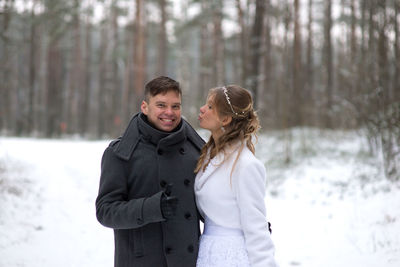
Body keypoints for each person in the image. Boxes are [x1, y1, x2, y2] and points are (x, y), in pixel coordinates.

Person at [95, 76, 205, 267]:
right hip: (141, 260)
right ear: (145, 107)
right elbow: (105, 211)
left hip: (188, 261)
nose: (169, 112)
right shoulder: (120, 153)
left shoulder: (196, 150)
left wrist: (246, 224)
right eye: (161, 105)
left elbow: (211, 202)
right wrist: (151, 208)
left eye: (175, 106)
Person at [194, 85, 278, 267]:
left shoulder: (246, 165)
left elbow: (256, 227)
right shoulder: (207, 156)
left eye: (209, 107)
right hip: (207, 253)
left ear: (225, 119)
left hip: (233, 257)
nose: (202, 109)